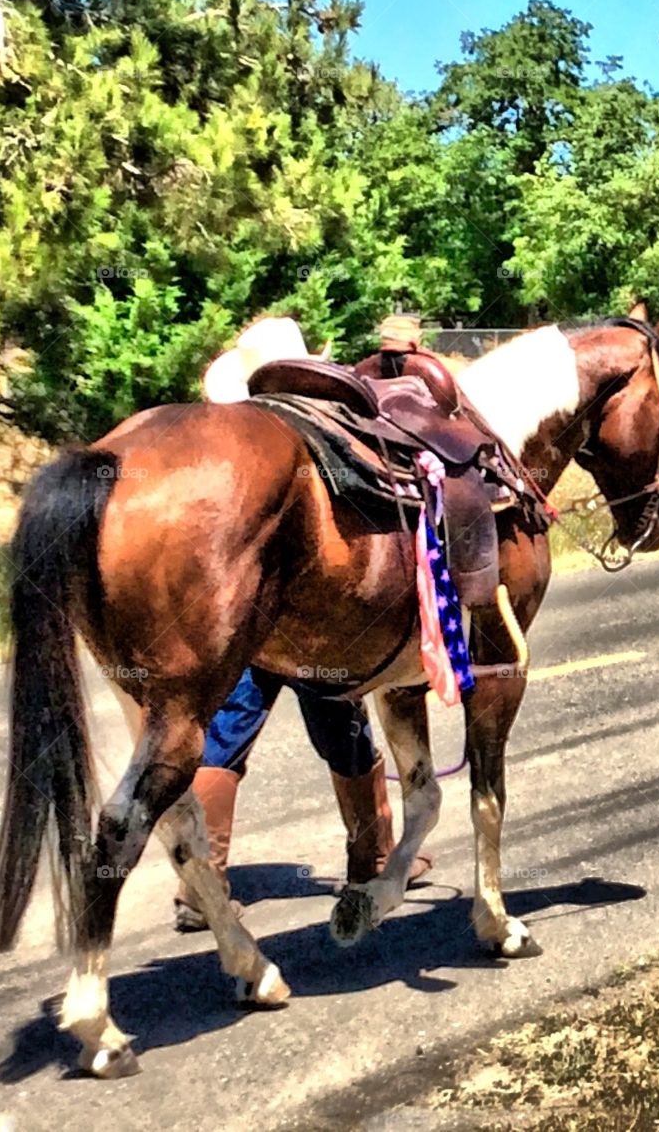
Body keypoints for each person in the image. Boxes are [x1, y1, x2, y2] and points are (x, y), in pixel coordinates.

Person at [173, 317, 432, 932]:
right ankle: (369, 857)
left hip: (242, 619)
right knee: (342, 728)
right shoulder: (318, 443)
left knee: (225, 733)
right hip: (310, 623)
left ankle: (198, 886)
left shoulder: (227, 459)